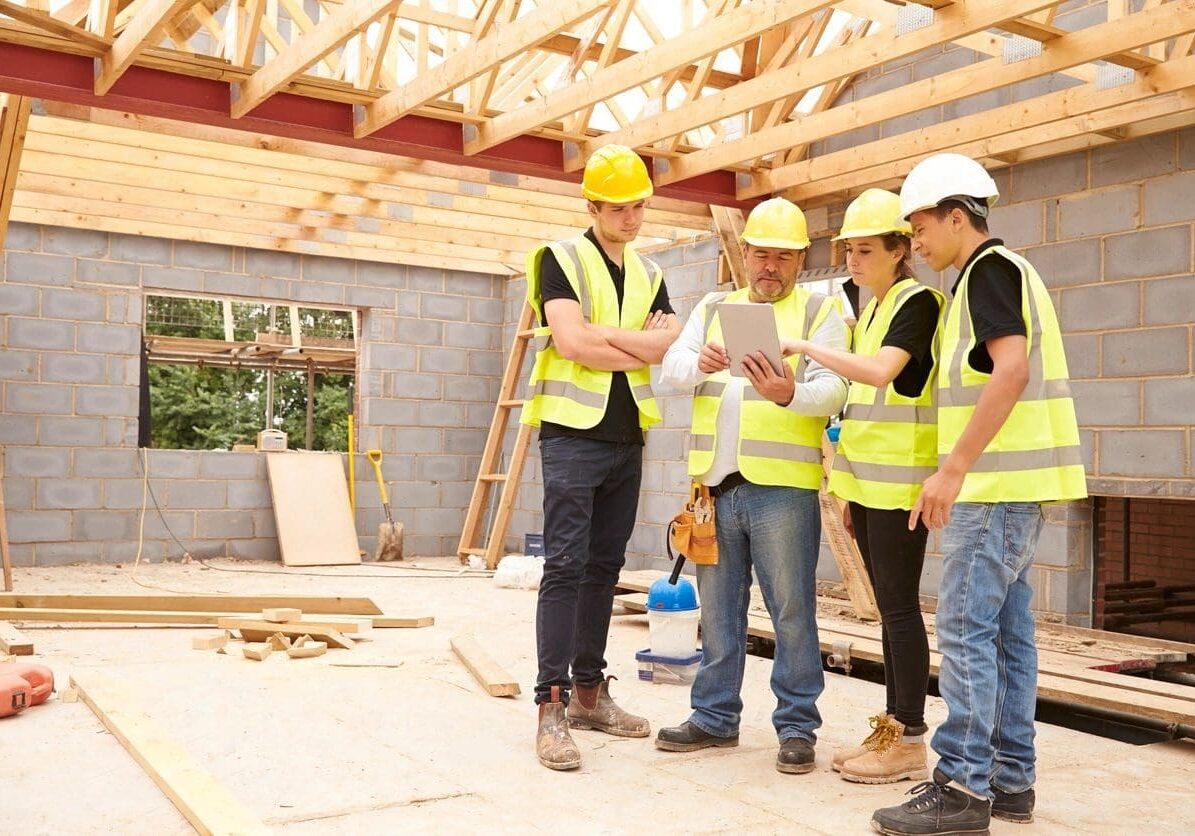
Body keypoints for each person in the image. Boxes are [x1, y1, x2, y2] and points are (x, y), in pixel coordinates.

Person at [871, 154, 1087, 835]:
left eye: (921, 226)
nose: (916, 242)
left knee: (965, 632)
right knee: (1005, 636)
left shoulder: (987, 273)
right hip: (1013, 488)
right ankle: (1009, 781)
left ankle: (963, 786)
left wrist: (953, 468)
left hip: (991, 488)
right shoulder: (1003, 274)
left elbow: (1011, 369)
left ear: (956, 217)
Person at [655, 197, 848, 775]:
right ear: (745, 254)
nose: (770, 267)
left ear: (800, 259)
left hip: (782, 489)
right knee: (718, 612)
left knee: (792, 612)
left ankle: (796, 728)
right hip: (715, 486)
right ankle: (714, 719)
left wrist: (791, 392)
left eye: (782, 258)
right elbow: (671, 369)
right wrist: (703, 363)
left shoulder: (820, 312)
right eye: (760, 255)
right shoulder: (715, 306)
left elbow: (837, 389)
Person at [522, 144, 681, 771]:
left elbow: (665, 347)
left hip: (626, 436)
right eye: (621, 208)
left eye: (641, 206)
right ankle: (550, 705)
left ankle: (589, 691)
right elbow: (569, 340)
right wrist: (636, 344)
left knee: (603, 568)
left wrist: (606, 339)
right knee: (564, 566)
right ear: (592, 204)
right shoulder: (558, 259)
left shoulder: (650, 272)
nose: (634, 218)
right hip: (571, 433)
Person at [781, 189, 943, 785]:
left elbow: (879, 374)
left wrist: (802, 346)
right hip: (869, 484)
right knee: (888, 612)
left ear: (901, 249)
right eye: (849, 250)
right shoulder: (870, 308)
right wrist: (845, 491)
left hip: (902, 485)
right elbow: (860, 407)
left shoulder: (917, 303)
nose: (853, 261)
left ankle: (908, 738)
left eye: (866, 250)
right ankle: (891, 729)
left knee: (900, 611)